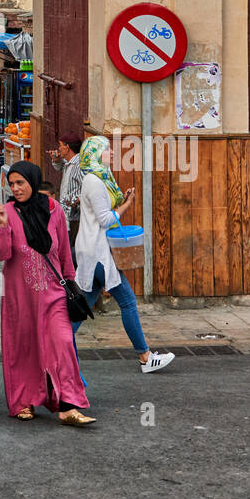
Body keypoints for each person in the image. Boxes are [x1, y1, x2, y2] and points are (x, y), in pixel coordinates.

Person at [0, 161, 95, 425]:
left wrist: (71, 281)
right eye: (11, 184)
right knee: (24, 348)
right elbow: (0, 253)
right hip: (20, 297)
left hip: (54, 293)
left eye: (20, 183)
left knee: (63, 344)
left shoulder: (54, 209)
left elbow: (63, 252)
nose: (15, 188)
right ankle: (23, 402)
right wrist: (1, 226)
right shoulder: (7, 212)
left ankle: (68, 405)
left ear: (33, 182)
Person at [73, 136, 175, 374]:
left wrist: (122, 198)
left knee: (82, 308)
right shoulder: (94, 181)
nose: (110, 153)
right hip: (98, 253)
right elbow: (106, 218)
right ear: (96, 154)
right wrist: (128, 204)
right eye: (106, 150)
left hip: (93, 252)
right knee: (128, 301)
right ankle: (145, 356)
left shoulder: (98, 178)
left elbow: (105, 208)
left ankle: (57, 348)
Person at [49, 134, 84, 248]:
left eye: (60, 145)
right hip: (66, 218)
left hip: (75, 218)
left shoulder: (79, 165)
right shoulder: (69, 162)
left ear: (67, 147)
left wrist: (75, 201)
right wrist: (56, 160)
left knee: (72, 251)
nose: (59, 149)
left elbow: (87, 189)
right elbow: (60, 166)